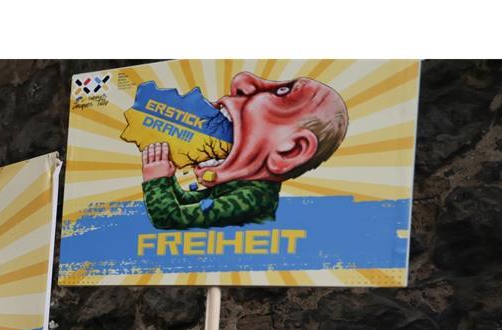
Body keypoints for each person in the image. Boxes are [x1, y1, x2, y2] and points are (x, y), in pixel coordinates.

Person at [140, 72, 349, 230]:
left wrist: (156, 181)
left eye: (283, 91)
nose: (241, 80)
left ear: (290, 151)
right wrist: (168, 178)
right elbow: (190, 202)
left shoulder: (254, 198)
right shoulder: (241, 184)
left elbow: (171, 218)